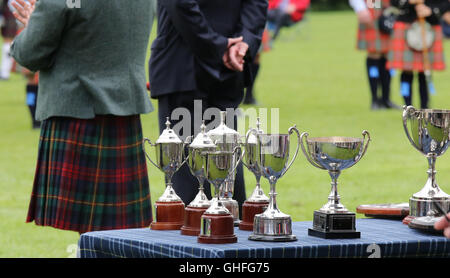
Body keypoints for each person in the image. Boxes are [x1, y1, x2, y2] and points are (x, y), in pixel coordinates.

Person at [11, 0, 156, 234]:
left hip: (78, 111)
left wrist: (32, 29)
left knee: (92, 231)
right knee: (113, 231)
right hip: (125, 113)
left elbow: (30, 54)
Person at [148, 0, 268, 216]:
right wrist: (241, 43)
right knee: (217, 169)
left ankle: (204, 244)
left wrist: (226, 45)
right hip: (212, 65)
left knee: (201, 173)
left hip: (185, 63)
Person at [388, 0, 450, 109]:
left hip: (429, 26)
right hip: (405, 25)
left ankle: (424, 108)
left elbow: (445, 4)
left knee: (424, 71)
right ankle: (408, 107)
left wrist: (431, 10)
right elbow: (394, 2)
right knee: (406, 70)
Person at [350, 0, 400, 110]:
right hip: (371, 8)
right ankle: (374, 100)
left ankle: (386, 99)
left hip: (388, 9)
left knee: (387, 54)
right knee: (374, 53)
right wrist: (360, 8)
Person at [0, 0, 17, 80]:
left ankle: (5, 72)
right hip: (7, 15)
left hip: (11, 16)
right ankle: (4, 71)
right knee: (7, 44)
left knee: (8, 44)